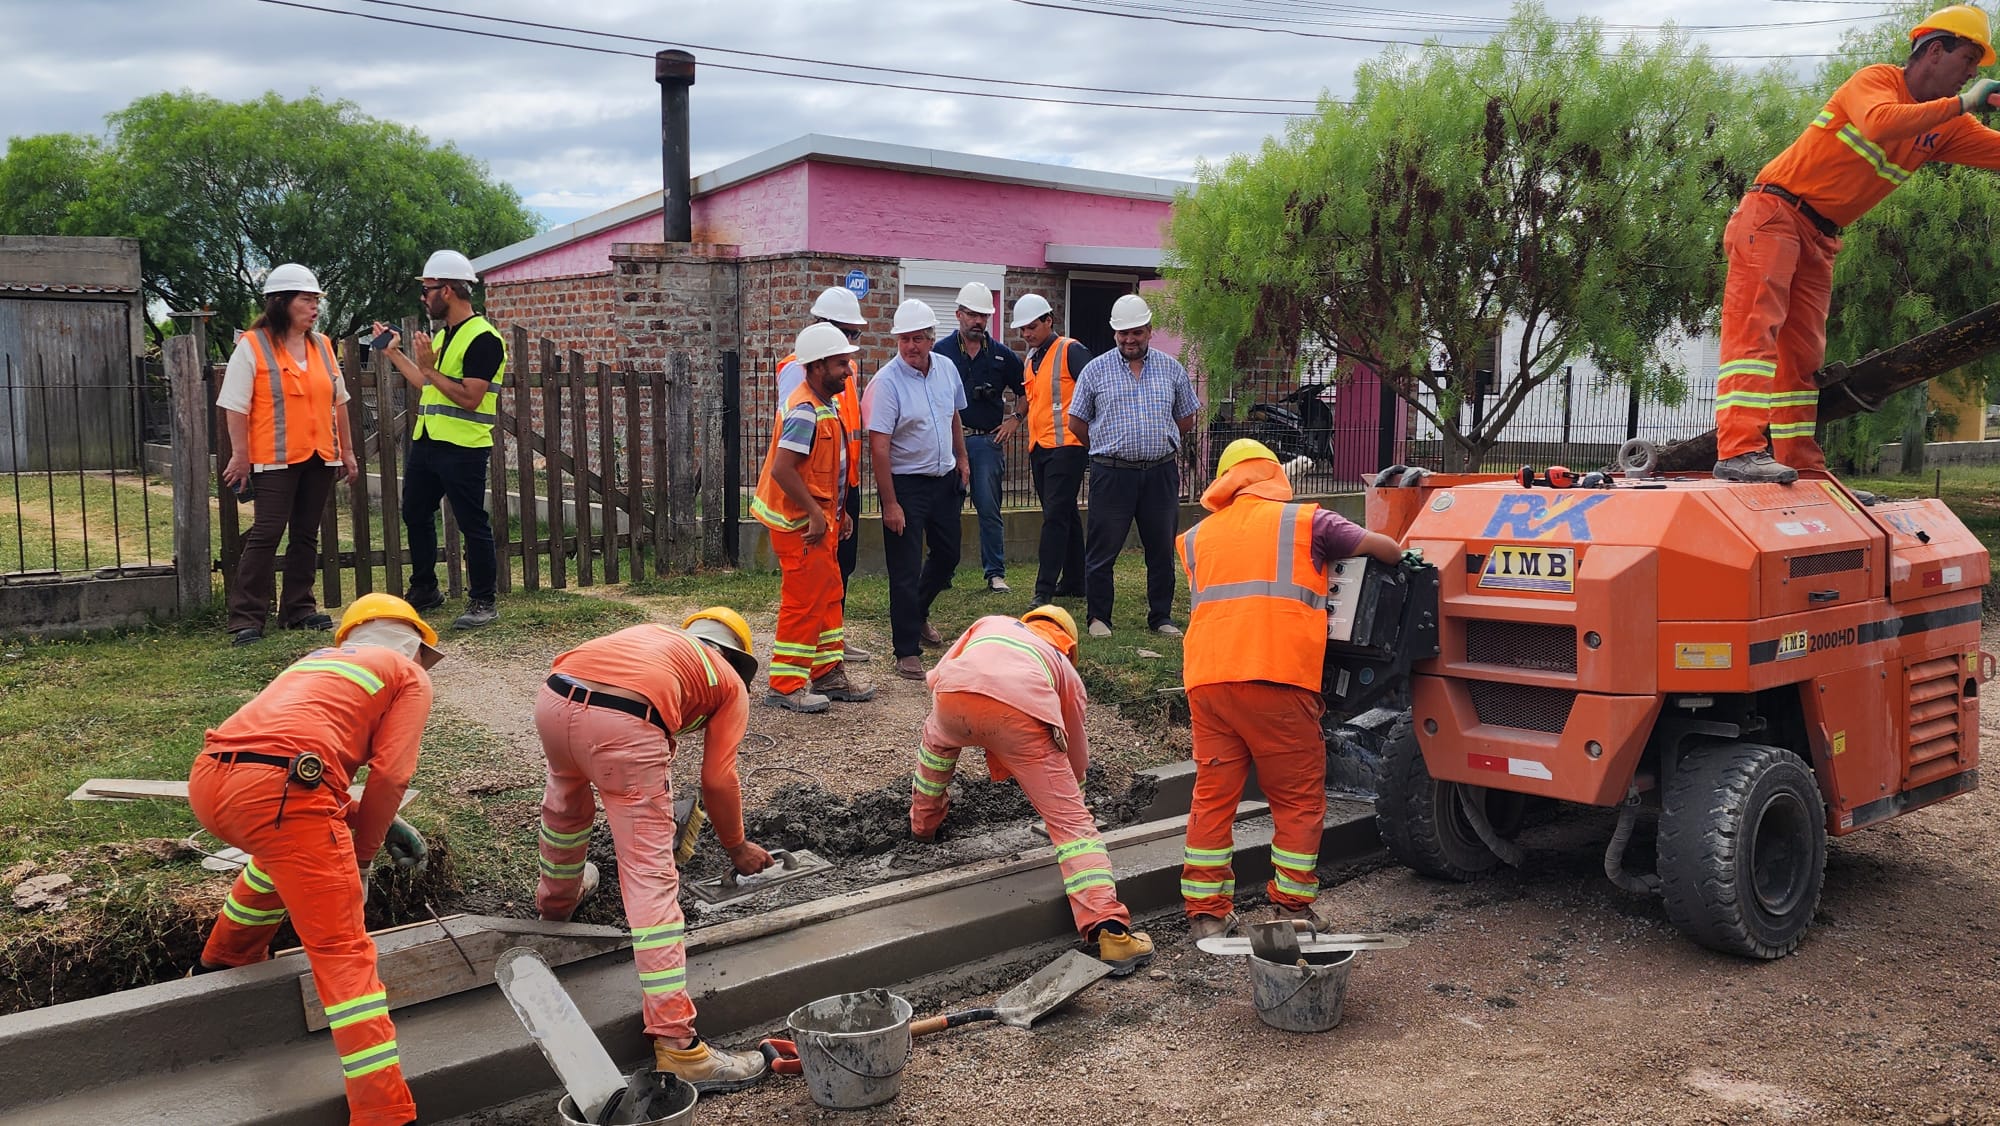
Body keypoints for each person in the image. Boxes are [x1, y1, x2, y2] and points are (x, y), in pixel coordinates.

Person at [1714, 4, 2000, 484]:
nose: (1973, 73)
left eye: (1977, 68)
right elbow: (1880, 123)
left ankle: (1800, 465)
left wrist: (1965, 108)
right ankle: (1738, 450)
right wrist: (1968, 101)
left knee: (1802, 361)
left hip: (1820, 237)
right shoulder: (1875, 82)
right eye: (1969, 60)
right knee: (1755, 332)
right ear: (1933, 50)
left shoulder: (1944, 127)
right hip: (1774, 214)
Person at [187, 594, 443, 1126]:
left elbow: (284, 745)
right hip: (283, 793)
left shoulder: (314, 663)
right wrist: (365, 855)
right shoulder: (408, 674)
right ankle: (385, 1113)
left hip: (212, 779)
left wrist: (355, 816)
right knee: (343, 953)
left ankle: (223, 961)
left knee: (279, 862)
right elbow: (392, 775)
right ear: (415, 644)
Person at [533, 608, 779, 1093]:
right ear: (737, 657)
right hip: (625, 724)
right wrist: (737, 846)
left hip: (554, 699)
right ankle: (677, 1044)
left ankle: (555, 905)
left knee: (566, 809)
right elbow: (718, 779)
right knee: (649, 877)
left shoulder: (657, 639)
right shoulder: (729, 682)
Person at [1176, 440, 1406, 943]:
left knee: (1213, 798)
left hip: (1208, 681)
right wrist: (1400, 552)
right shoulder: (1309, 522)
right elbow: (1382, 550)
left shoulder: (1194, 537)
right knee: (1298, 798)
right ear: (1272, 476)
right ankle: (1290, 909)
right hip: (1276, 676)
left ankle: (1206, 913)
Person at [909, 605, 1155, 975]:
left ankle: (921, 828)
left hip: (950, 697)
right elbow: (1073, 746)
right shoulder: (1063, 665)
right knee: (1073, 829)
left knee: (935, 761)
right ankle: (1111, 933)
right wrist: (1077, 795)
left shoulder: (990, 621)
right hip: (1017, 715)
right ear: (1070, 645)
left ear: (1029, 623)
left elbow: (941, 670)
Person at [218, 262, 357, 647]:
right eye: (306, 299)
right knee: (266, 533)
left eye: (316, 300)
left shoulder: (323, 345)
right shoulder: (253, 345)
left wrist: (346, 450)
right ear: (280, 302)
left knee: (305, 535)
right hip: (274, 458)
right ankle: (246, 618)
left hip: (319, 456)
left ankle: (297, 609)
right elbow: (235, 406)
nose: (314, 307)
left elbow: (339, 401)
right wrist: (240, 456)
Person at [377, 249, 506, 628]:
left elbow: (470, 396)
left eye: (427, 289)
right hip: (429, 440)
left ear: (447, 291)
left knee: (472, 523)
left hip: (464, 445)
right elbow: (426, 382)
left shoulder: (484, 338)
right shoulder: (446, 334)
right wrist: (395, 354)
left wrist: (431, 369)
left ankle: (484, 601)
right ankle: (425, 589)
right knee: (414, 512)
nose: (423, 296)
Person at [754, 323, 876, 711]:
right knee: (804, 602)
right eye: (841, 363)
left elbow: (825, 470)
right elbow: (784, 470)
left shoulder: (825, 405)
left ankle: (827, 673)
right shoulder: (806, 410)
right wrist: (815, 514)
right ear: (818, 365)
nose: (849, 371)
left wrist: (838, 514)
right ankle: (785, 685)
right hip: (801, 526)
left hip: (818, 522)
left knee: (827, 596)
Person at [1065, 293, 1199, 638]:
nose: (1130, 339)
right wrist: (1106, 448)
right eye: (1123, 333)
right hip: (1112, 473)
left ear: (1149, 330)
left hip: (1160, 473)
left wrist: (1159, 438)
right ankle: (1099, 618)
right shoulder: (1095, 370)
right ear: (1114, 334)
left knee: (1160, 548)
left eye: (1136, 332)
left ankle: (1162, 617)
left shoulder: (1172, 368)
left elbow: (1186, 416)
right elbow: (1077, 423)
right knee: (1102, 549)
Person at [867, 299, 970, 681]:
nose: (911, 346)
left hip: (944, 481)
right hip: (906, 484)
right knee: (905, 567)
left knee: (948, 555)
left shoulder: (946, 368)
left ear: (931, 338)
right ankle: (906, 649)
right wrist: (890, 503)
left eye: (918, 339)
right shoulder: (886, 382)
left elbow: (954, 416)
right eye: (904, 339)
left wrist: (963, 459)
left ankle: (919, 611)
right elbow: (879, 446)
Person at [776, 285, 872, 662]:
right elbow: (793, 449)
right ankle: (797, 669)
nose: (850, 346)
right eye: (846, 333)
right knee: (808, 590)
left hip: (838, 490)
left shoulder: (838, 369)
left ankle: (829, 653)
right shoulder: (799, 373)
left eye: (854, 335)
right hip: (810, 497)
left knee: (836, 575)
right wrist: (816, 509)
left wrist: (841, 502)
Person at [932, 282, 1025, 592]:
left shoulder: (1002, 355)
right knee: (945, 510)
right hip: (948, 441)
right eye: (972, 315)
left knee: (989, 508)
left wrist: (1015, 419)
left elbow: (1027, 391)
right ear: (958, 314)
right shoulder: (941, 352)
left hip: (987, 442)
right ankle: (942, 573)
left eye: (983, 316)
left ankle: (995, 573)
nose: (978, 322)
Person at [1012, 293, 1091, 604]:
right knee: (1064, 513)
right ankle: (1075, 580)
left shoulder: (1070, 350)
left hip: (1068, 446)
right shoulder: (1031, 359)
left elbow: (1094, 386)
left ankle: (1043, 589)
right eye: (1023, 330)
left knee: (1055, 517)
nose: (1027, 334)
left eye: (1032, 327)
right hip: (1041, 447)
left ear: (1048, 321)